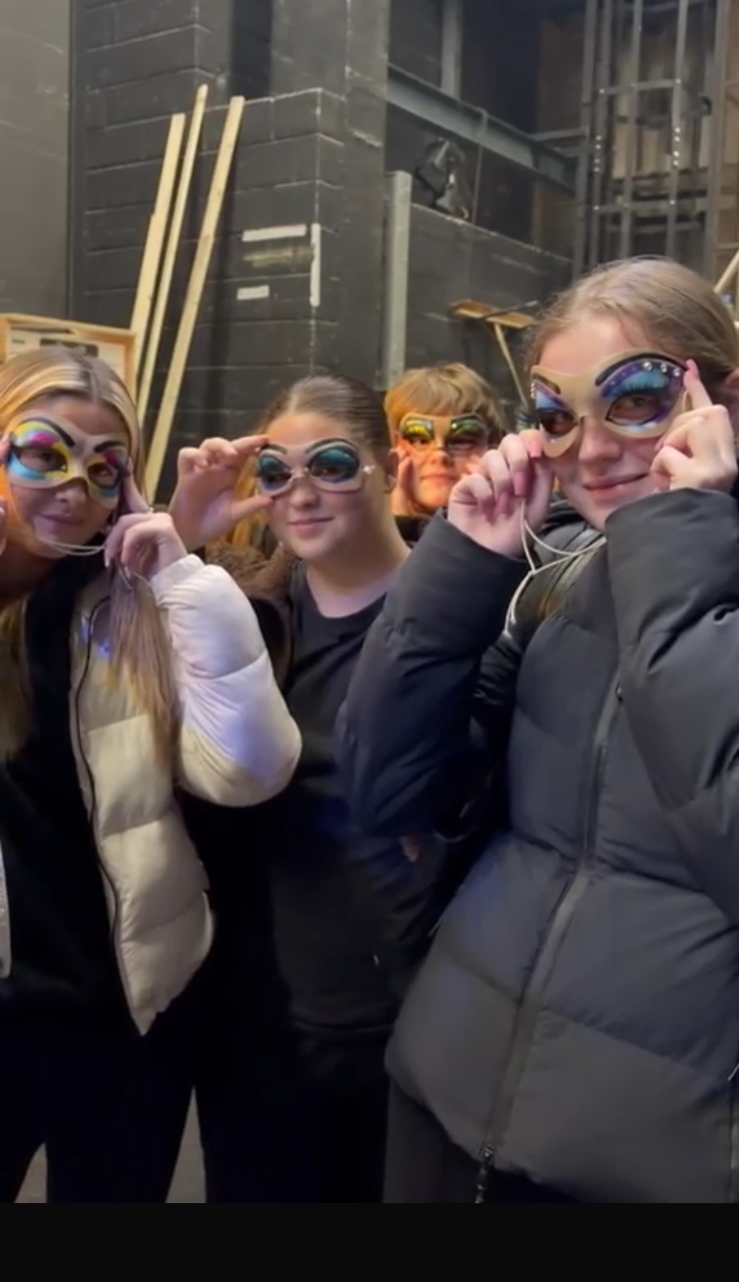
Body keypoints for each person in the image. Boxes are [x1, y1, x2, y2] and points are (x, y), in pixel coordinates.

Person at [338, 257, 739, 1204]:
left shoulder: (657, 577)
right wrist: (460, 567)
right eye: (557, 415)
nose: (588, 451)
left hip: (652, 1164)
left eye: (634, 400)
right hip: (445, 1103)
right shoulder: (554, 584)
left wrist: (677, 545)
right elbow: (387, 791)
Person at [0, 346, 300, 1203]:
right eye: (43, 453)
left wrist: (182, 574)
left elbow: (246, 771)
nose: (74, 488)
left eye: (104, 468)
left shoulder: (136, 602)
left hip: (128, 1017)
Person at [168, 374, 455, 1202]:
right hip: (254, 1020)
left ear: (386, 464)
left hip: (399, 1021)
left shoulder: (452, 616)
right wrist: (183, 537)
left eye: (330, 464)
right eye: (276, 473)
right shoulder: (250, 619)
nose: (299, 494)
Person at [385, 361, 504, 526]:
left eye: (461, 440)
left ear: (492, 446)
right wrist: (399, 524)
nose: (440, 455)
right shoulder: (356, 532)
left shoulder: (523, 532)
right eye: (420, 440)